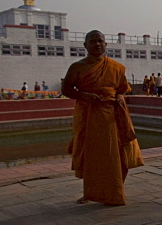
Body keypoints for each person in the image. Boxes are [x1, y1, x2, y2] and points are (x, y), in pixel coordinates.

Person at [61, 30, 144, 205]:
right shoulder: (77, 67)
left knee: (119, 153)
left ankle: (117, 188)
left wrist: (120, 96)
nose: (97, 44)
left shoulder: (115, 67)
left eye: (100, 41)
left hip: (113, 115)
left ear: (106, 44)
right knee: (92, 155)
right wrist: (84, 96)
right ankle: (90, 193)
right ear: (85, 45)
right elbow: (66, 89)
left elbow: (123, 88)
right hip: (89, 115)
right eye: (92, 41)